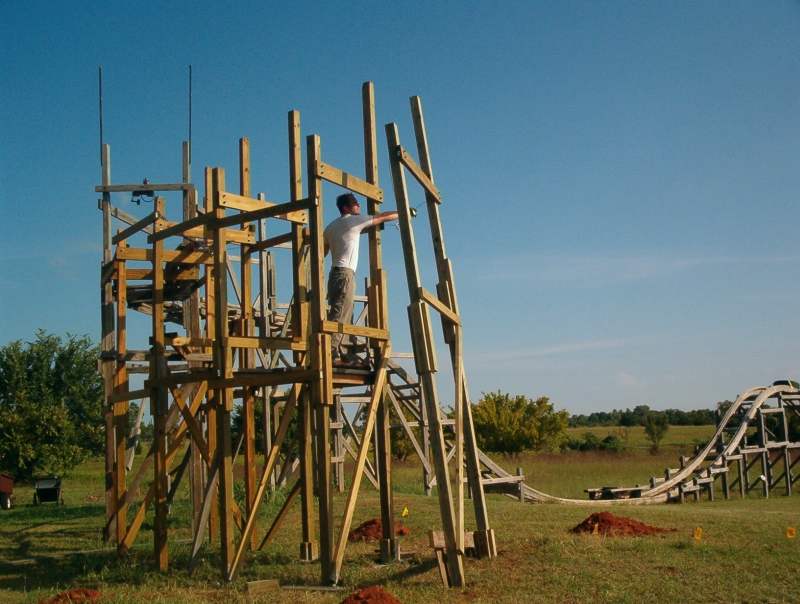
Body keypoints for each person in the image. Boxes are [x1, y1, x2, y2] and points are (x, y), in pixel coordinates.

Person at [324, 193, 398, 367]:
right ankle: (331, 355)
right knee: (341, 315)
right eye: (355, 204)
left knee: (341, 312)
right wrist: (403, 212)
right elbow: (383, 217)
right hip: (345, 274)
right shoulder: (352, 221)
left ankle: (343, 355)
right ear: (346, 208)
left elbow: (323, 250)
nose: (358, 207)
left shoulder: (331, 227)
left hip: (334, 274)